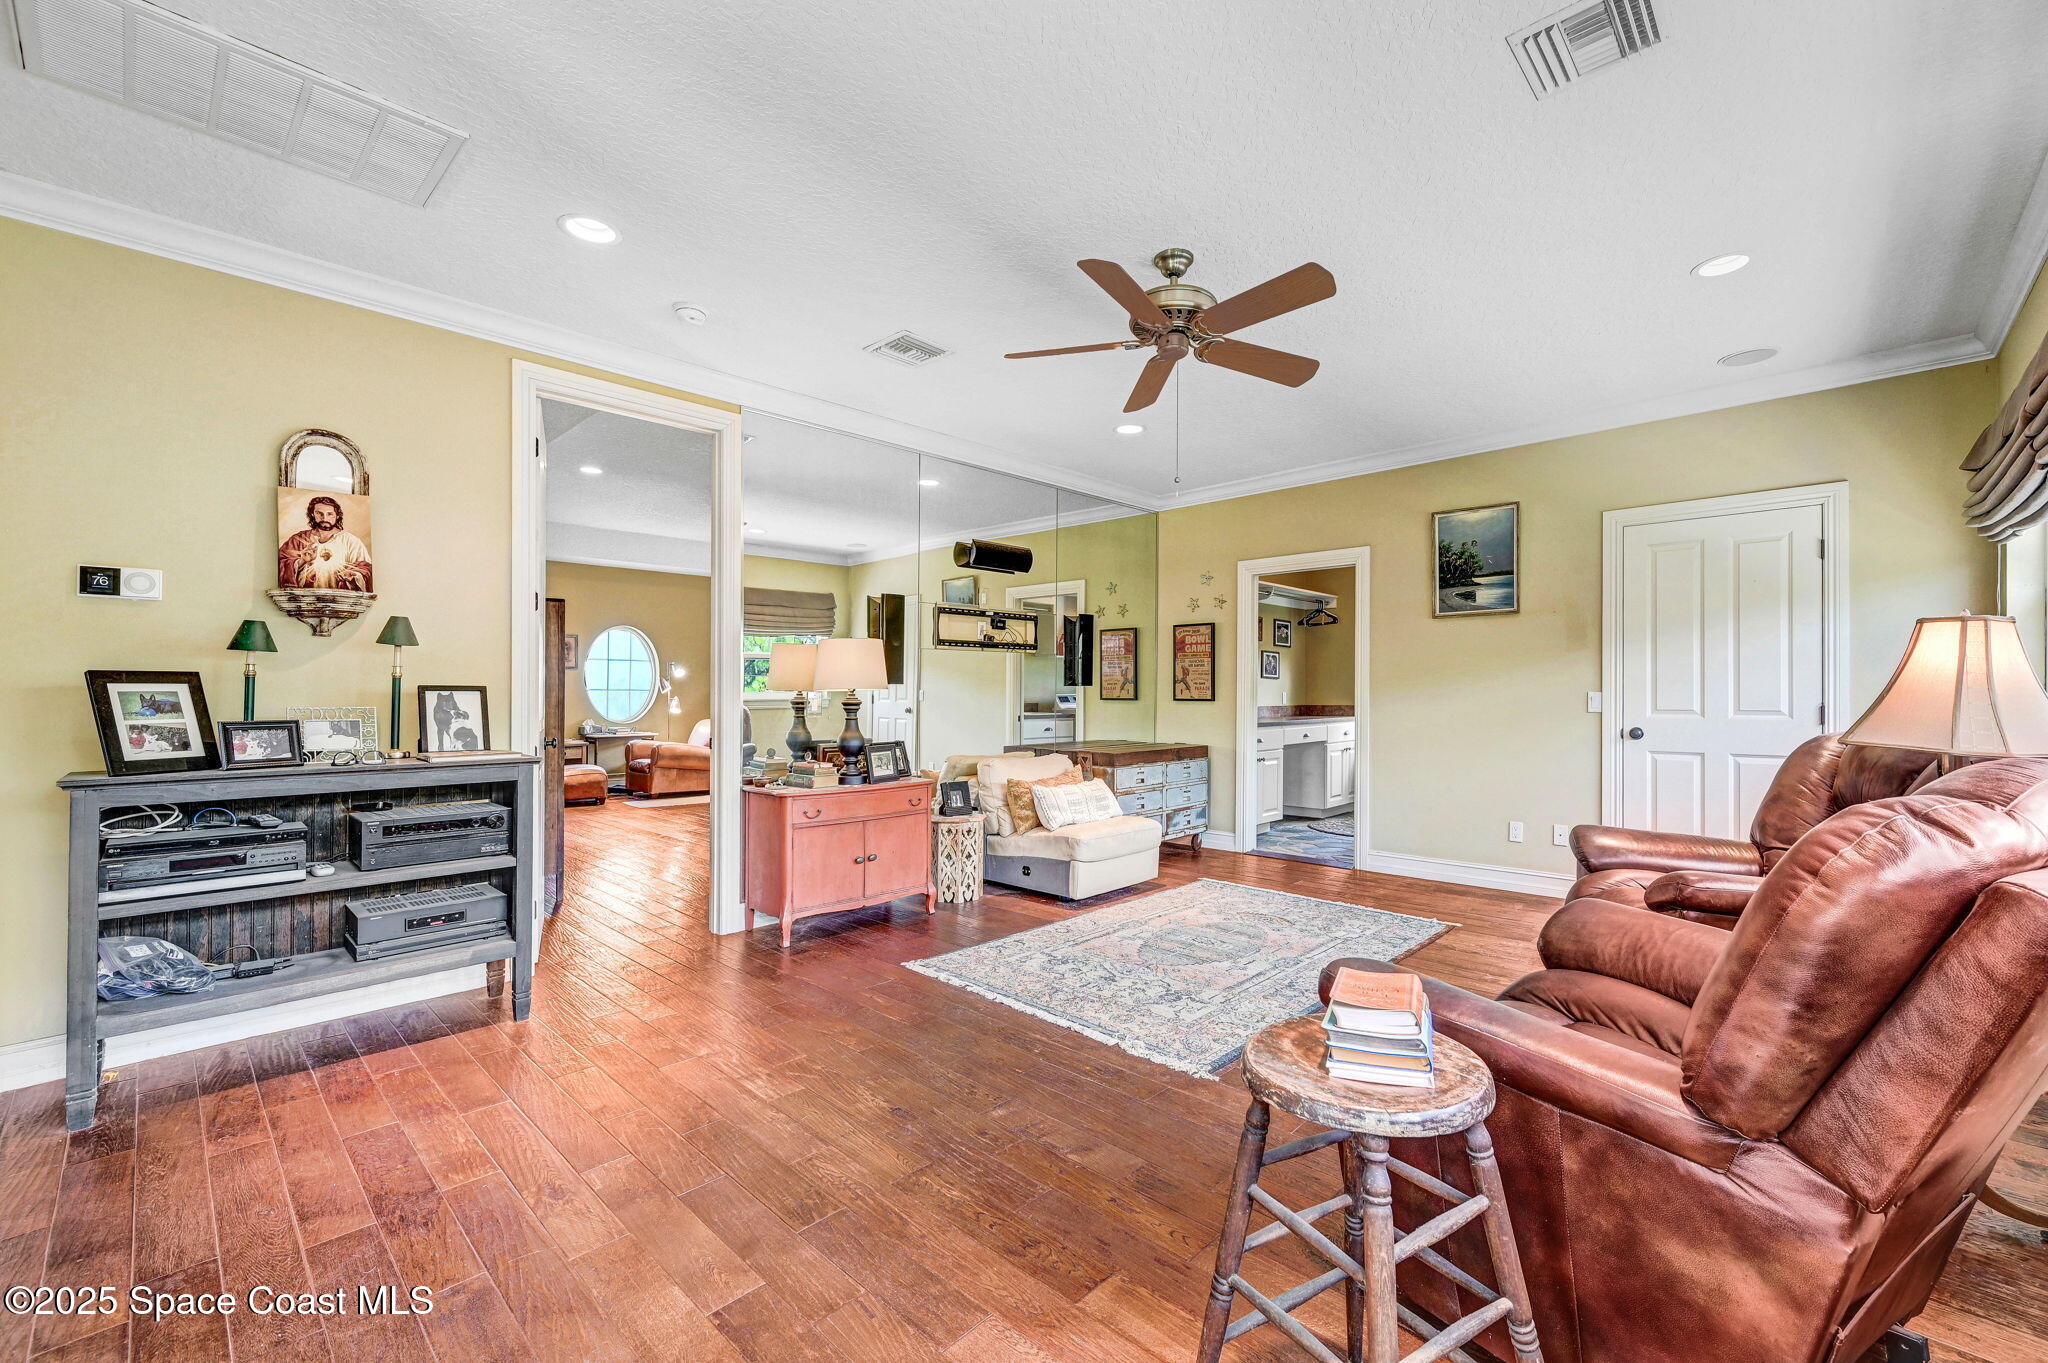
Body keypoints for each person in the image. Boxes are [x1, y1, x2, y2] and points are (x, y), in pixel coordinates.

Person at [278, 496, 372, 591]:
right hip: (304, 599)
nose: (324, 518)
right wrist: (302, 561)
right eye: (319, 513)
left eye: (330, 514)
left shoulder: (351, 541)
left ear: (337, 516)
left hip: (340, 600)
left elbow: (366, 569)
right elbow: (280, 564)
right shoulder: (298, 539)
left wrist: (352, 575)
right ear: (312, 514)